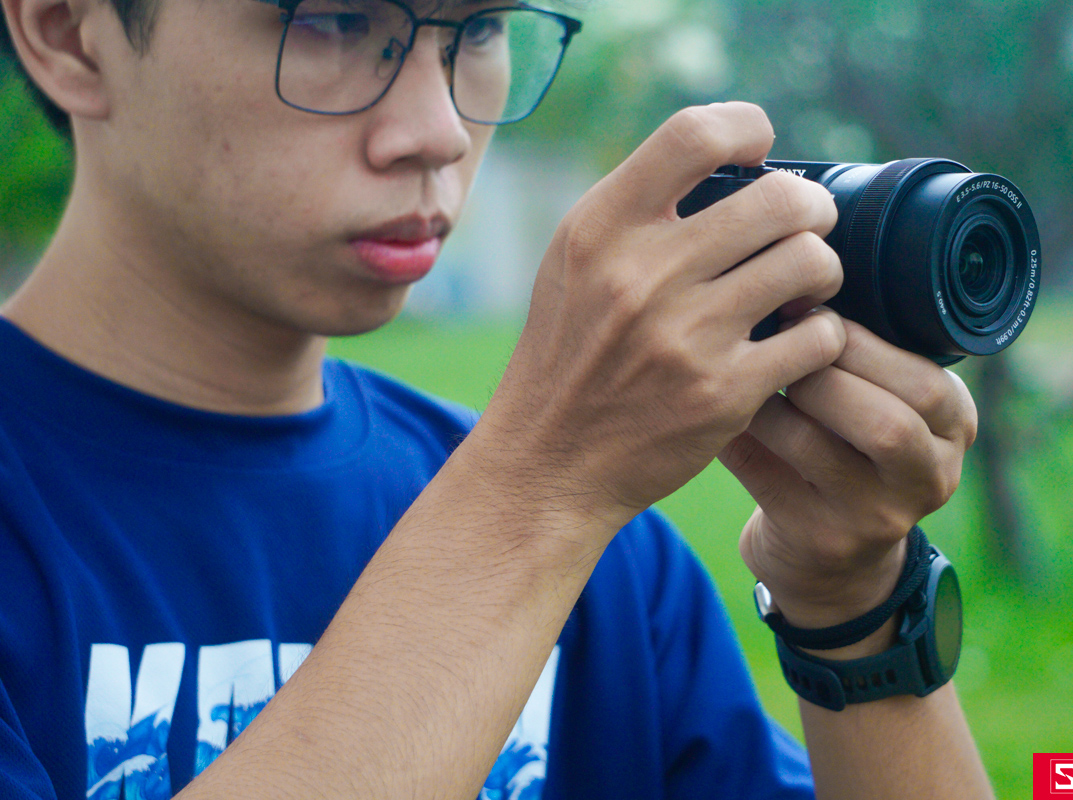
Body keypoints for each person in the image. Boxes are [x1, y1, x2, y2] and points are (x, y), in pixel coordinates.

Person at [0, 0, 994, 795]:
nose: (437, 131)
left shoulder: (611, 565)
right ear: (66, 33)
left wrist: (852, 600)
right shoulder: (553, 512)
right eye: (332, 22)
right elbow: (539, 494)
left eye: (477, 31)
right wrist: (542, 485)